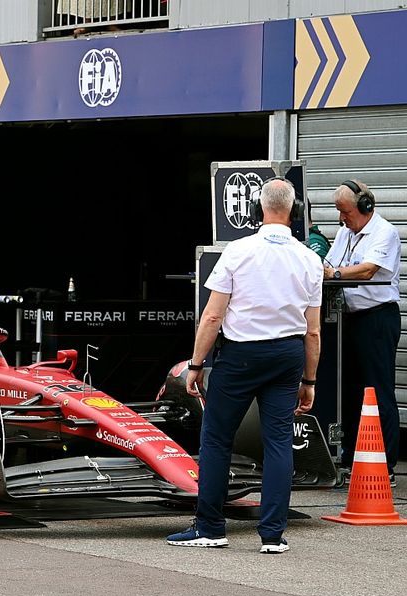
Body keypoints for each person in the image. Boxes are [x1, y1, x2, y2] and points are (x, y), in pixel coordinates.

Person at [167, 178, 322, 554]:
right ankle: (272, 535)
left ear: (257, 210)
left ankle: (210, 527)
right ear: (294, 212)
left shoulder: (236, 251)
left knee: (217, 439)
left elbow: (212, 316)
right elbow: (313, 331)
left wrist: (196, 363)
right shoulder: (310, 259)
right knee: (279, 442)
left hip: (240, 356)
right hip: (287, 356)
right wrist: (310, 379)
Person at [324, 179, 401, 485]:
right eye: (339, 213)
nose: (342, 219)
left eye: (346, 212)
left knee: (377, 389)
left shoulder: (385, 233)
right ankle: (352, 456)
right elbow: (329, 262)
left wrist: (337, 273)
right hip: (349, 318)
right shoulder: (345, 232)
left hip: (377, 318)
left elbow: (368, 269)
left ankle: (387, 463)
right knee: (350, 390)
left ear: (366, 207)